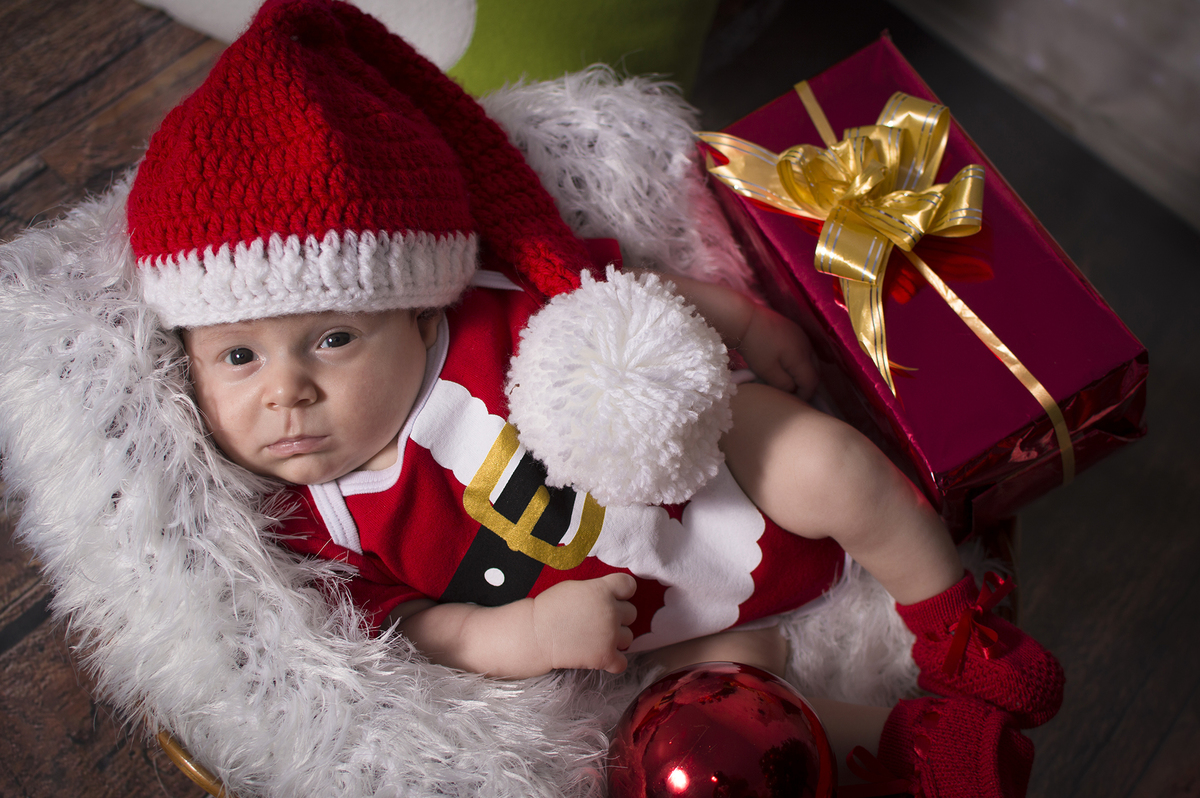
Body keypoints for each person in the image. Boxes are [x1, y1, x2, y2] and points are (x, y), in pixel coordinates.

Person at [127, 1, 1063, 795]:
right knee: (704, 731)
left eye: (332, 340)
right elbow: (421, 627)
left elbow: (629, 299)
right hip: (652, 630)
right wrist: (525, 632)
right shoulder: (322, 519)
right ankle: (903, 748)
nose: (287, 390)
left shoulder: (488, 309)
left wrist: (742, 321)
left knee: (828, 462)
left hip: (718, 465)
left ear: (414, 311)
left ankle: (952, 627)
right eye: (239, 357)